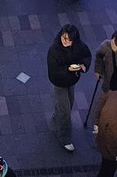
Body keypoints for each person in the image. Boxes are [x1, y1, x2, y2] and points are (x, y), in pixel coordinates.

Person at [47, 24, 91, 153]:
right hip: (59, 82)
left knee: (69, 104)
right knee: (65, 110)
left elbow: (86, 55)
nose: (65, 41)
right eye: (63, 38)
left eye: (68, 39)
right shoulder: (54, 50)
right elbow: (54, 70)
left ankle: (57, 117)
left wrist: (83, 65)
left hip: (72, 80)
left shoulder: (79, 46)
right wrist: (67, 69)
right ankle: (65, 138)